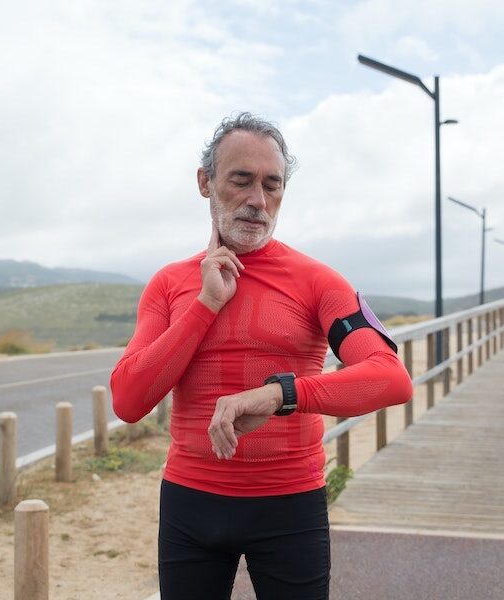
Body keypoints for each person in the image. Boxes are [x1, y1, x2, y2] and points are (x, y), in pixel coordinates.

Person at [110, 112, 412, 600]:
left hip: (290, 505)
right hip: (191, 502)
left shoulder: (319, 281)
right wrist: (206, 305)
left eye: (273, 185)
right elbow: (128, 400)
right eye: (242, 180)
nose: (258, 200)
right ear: (205, 182)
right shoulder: (169, 283)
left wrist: (280, 394)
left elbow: (390, 378)